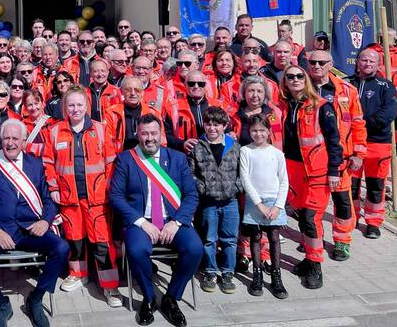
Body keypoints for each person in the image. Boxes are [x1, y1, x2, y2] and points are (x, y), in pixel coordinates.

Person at [0, 119, 69, 327]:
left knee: (61, 248)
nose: (10, 143)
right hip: (0, 230)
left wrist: (45, 220)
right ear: (1, 139)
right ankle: (1, 303)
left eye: (15, 138)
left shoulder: (35, 164)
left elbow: (48, 198)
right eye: (6, 138)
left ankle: (36, 298)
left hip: (30, 229)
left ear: (24, 141)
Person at [109, 114, 202, 327]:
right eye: (144, 133)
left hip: (173, 220)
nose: (149, 138)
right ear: (137, 134)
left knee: (195, 249)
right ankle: (149, 298)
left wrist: (177, 222)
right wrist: (141, 222)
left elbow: (191, 195)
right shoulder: (126, 159)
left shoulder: (177, 159)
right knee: (135, 250)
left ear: (161, 134)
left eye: (153, 133)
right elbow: (115, 196)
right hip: (142, 221)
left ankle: (171, 298)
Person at [42, 85, 120, 306]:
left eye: (79, 104)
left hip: (96, 199)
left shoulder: (101, 129)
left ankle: (110, 286)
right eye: (71, 105)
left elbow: (111, 163)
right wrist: (54, 189)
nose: (75, 109)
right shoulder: (55, 131)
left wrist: (107, 190)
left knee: (101, 242)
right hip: (68, 198)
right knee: (74, 239)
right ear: (65, 107)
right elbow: (48, 163)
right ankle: (78, 274)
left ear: (87, 106)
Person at [279, 66, 341, 289]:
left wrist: (335, 170)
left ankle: (316, 265)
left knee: (311, 218)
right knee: (301, 214)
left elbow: (334, 141)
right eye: (290, 76)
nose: (294, 79)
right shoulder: (284, 106)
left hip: (317, 171)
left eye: (299, 76)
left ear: (305, 80)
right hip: (292, 170)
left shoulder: (322, 107)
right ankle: (307, 258)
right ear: (284, 81)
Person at [308, 49, 366, 260]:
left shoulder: (347, 91)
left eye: (322, 62)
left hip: (341, 158)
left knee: (342, 201)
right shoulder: (301, 88)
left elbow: (359, 123)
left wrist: (359, 152)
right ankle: (316, 238)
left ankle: (342, 241)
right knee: (314, 204)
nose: (317, 66)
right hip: (313, 160)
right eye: (313, 62)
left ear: (330, 63)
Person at [188, 106, 241, 295]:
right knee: (209, 239)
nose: (212, 128)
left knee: (230, 240)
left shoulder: (234, 146)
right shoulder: (197, 146)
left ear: (225, 126)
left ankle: (227, 272)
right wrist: (202, 188)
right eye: (209, 124)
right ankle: (210, 271)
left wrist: (236, 187)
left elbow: (242, 171)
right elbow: (191, 173)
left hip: (230, 201)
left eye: (217, 125)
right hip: (208, 202)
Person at [347, 48, 397, 239]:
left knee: (375, 185)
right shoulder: (346, 83)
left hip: (378, 144)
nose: (367, 64)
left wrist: (360, 123)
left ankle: (373, 222)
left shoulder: (386, 86)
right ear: (357, 61)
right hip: (351, 145)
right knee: (350, 185)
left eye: (372, 61)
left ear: (378, 65)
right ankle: (350, 219)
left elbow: (389, 114)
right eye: (364, 60)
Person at [239, 114, 289, 299]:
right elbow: (245, 178)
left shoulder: (277, 153)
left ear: (269, 131)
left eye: (262, 130)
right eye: (254, 130)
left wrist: (278, 206)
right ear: (249, 132)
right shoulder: (246, 151)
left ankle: (276, 276)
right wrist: (258, 204)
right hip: (255, 202)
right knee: (256, 236)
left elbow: (284, 181)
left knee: (274, 237)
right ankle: (257, 275)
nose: (258, 134)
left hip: (274, 201)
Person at [22, 88, 54, 157]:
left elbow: (55, 148)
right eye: (30, 105)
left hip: (49, 164)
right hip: (31, 164)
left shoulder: (52, 123)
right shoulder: (22, 126)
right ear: (25, 107)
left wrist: (29, 147)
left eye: (36, 103)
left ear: (43, 103)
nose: (34, 108)